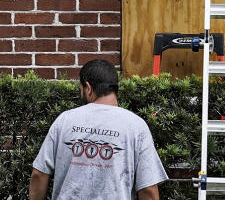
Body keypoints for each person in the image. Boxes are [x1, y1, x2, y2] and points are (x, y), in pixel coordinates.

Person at [29, 59, 168, 200]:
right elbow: (148, 190)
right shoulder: (136, 126)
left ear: (88, 88)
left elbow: (39, 174)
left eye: (81, 89)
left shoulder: (65, 120)